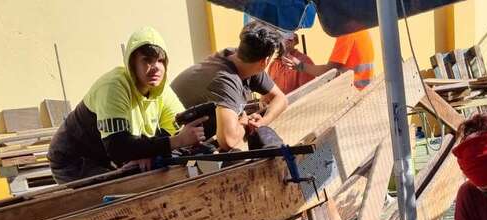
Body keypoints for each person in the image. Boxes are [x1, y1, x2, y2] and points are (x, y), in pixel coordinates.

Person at [48, 26, 206, 184]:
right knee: (119, 193)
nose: (156, 67)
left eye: (160, 61)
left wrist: (149, 152)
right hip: (74, 159)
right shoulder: (113, 87)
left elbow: (175, 129)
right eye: (147, 60)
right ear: (132, 64)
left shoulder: (161, 90)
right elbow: (118, 147)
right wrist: (177, 141)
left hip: (108, 155)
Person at [171, 21, 289, 151]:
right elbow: (228, 141)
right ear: (265, 61)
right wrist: (244, 123)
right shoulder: (226, 79)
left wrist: (262, 122)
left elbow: (281, 99)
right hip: (172, 144)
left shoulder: (242, 59)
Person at [282, 29, 374, 90]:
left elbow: (329, 71)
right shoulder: (361, 30)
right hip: (365, 90)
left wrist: (300, 66)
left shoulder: (347, 34)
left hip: (355, 93)